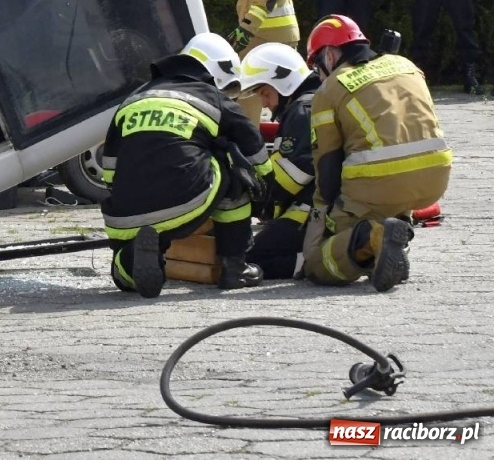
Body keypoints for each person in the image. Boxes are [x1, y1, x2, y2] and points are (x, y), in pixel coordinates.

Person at [99, 31, 271, 298]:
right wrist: (269, 194)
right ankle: (234, 267)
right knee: (233, 171)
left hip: (124, 216)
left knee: (133, 249)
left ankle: (128, 262)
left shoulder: (134, 99)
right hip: (183, 201)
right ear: (216, 72)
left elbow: (109, 169)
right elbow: (256, 155)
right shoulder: (213, 98)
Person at [302, 15, 452, 291]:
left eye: (317, 66)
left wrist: (325, 214)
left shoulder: (330, 89)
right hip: (435, 177)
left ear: (331, 55)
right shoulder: (407, 65)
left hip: (381, 183)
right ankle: (392, 244)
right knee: (393, 185)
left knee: (317, 263)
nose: (319, 75)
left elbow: (328, 162)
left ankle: (374, 238)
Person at [238, 42, 320, 279]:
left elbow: (293, 173)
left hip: (311, 212)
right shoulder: (313, 101)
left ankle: (315, 260)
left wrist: (254, 197)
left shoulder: (302, 110)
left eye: (265, 93)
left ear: (284, 81)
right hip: (321, 205)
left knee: (249, 257)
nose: (264, 103)